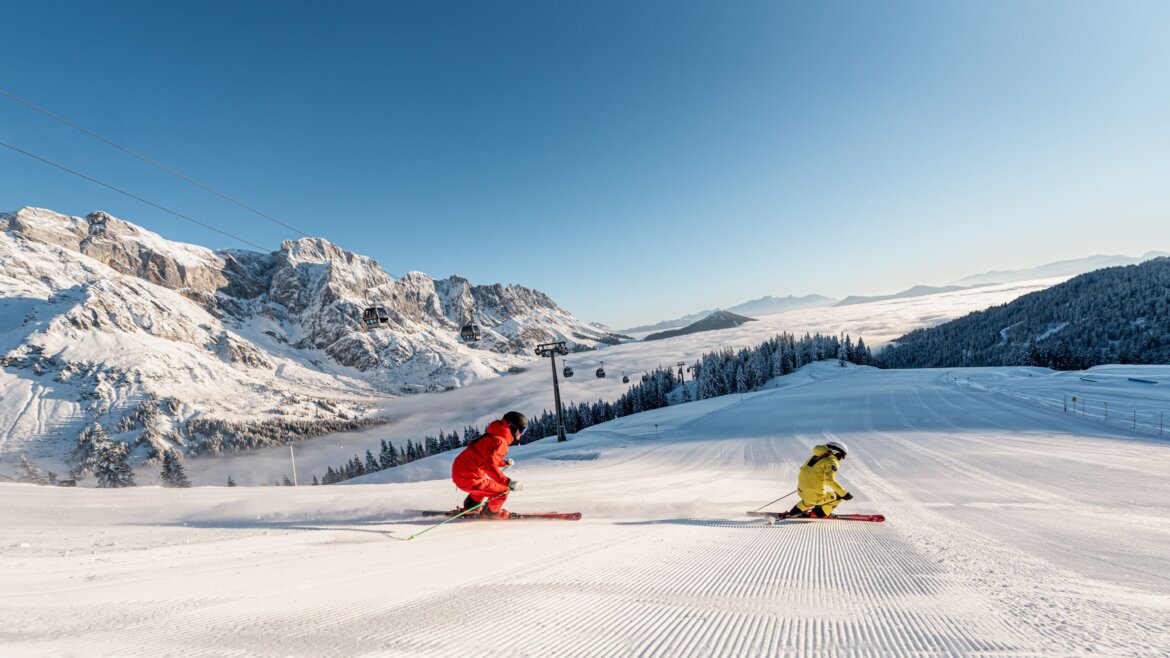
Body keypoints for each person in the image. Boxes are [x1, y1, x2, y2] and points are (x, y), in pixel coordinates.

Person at [451, 411, 527, 519]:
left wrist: (503, 463)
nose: (522, 434)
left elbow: (486, 457)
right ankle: (491, 514)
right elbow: (489, 466)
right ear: (512, 427)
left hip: (461, 470)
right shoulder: (501, 442)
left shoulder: (494, 436)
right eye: (522, 430)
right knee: (503, 491)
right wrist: (508, 482)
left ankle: (470, 508)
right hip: (469, 476)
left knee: (483, 489)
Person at [786, 441, 853, 518]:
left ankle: (792, 513)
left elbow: (808, 472)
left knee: (808, 501)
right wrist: (844, 494)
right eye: (843, 455)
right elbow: (829, 480)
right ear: (836, 452)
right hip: (814, 495)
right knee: (838, 496)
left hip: (802, 491)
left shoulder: (814, 457)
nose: (842, 458)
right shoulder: (832, 461)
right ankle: (816, 514)